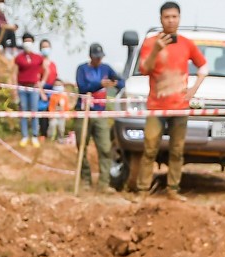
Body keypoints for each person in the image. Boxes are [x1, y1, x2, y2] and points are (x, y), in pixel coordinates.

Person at [133, 2, 208, 197]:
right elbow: (144, 69)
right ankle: (142, 190)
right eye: (167, 17)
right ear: (161, 19)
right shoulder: (150, 42)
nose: (171, 20)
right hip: (156, 106)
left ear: (179, 18)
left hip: (180, 107)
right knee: (149, 149)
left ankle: (173, 190)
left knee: (177, 151)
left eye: (174, 17)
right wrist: (157, 50)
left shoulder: (186, 43)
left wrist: (193, 89)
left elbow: (203, 67)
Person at [75, 43, 123, 187]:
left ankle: (104, 183)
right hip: (84, 111)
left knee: (105, 147)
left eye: (100, 57)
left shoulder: (106, 68)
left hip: (100, 112)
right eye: (96, 57)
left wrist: (114, 83)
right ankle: (85, 180)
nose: (98, 60)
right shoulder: (82, 69)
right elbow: (83, 87)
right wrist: (99, 84)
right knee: (82, 146)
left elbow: (121, 82)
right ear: (90, 56)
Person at [13, 37, 47, 145]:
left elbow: (46, 70)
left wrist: (42, 82)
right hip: (22, 87)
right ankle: (24, 135)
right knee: (23, 111)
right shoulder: (19, 58)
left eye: (29, 41)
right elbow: (14, 72)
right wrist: (15, 87)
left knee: (34, 111)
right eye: (26, 41)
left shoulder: (38, 57)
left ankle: (35, 135)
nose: (28, 43)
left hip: (34, 87)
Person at [37, 38, 59, 139]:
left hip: (52, 91)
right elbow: (36, 79)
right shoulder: (38, 63)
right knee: (42, 113)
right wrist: (41, 93)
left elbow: (56, 78)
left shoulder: (53, 64)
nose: (45, 49)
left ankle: (53, 136)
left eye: (47, 47)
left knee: (53, 113)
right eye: (43, 47)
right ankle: (42, 134)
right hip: (41, 90)